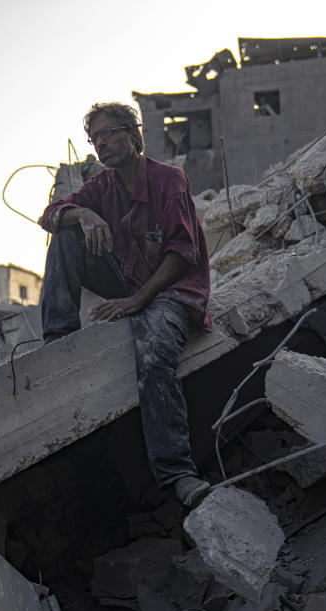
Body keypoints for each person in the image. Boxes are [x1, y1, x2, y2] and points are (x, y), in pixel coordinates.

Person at [39, 103, 213, 507]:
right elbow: (49, 216)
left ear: (134, 135)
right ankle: (57, 339)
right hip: (129, 278)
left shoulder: (169, 180)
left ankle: (178, 473)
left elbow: (182, 251)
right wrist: (81, 213)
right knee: (65, 234)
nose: (102, 143)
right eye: (95, 138)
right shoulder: (102, 187)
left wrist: (137, 300)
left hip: (170, 290)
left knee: (153, 356)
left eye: (110, 133)